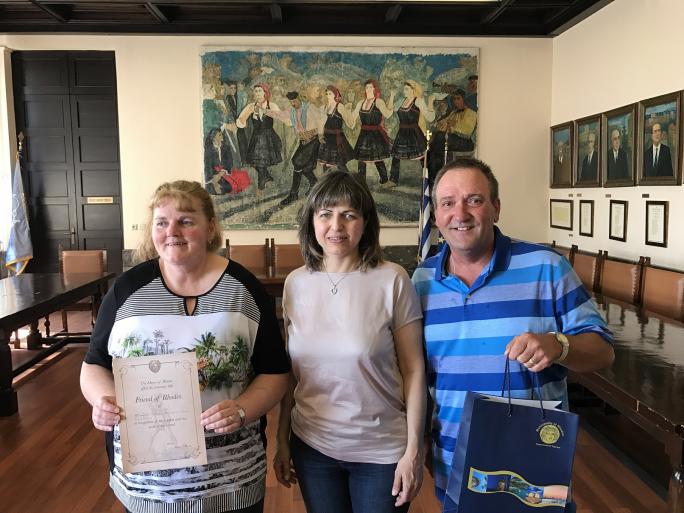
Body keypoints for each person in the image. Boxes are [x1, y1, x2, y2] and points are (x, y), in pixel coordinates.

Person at [411, 158, 615, 512]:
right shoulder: (421, 281)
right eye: (447, 203)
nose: (460, 213)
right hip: (454, 459)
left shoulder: (546, 267)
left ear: (496, 208)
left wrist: (559, 345)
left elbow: (603, 351)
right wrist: (421, 446)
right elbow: (419, 376)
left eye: (474, 200)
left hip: (533, 460)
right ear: (437, 215)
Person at [80, 180, 290, 513]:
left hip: (232, 479)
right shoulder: (127, 289)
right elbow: (94, 364)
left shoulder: (244, 289)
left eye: (186, 221)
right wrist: (102, 400)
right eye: (161, 222)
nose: (172, 231)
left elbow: (275, 372)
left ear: (211, 228)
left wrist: (242, 409)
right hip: (148, 486)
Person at [273, 171, 427, 513]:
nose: (336, 226)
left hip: (381, 452)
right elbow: (292, 374)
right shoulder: (296, 283)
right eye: (325, 214)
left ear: (366, 222)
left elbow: (414, 369)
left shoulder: (392, 279)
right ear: (311, 221)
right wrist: (281, 439)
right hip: (312, 448)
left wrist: (414, 450)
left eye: (349, 215)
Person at [265, 90, 325, 205]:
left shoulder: (310, 107)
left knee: (297, 162)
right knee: (305, 167)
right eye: (291, 102)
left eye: (295, 101)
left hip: (313, 140)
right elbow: (280, 114)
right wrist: (265, 111)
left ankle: (293, 194)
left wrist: (320, 134)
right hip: (303, 141)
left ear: (299, 99)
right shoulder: (291, 110)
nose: (293, 104)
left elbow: (322, 119)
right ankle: (315, 183)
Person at [387, 80, 435, 188]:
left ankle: (430, 180)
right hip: (402, 132)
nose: (404, 91)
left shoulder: (418, 101)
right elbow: (389, 110)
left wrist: (431, 102)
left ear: (413, 89)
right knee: (396, 156)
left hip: (414, 133)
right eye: (404, 89)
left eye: (407, 89)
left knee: (423, 156)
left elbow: (430, 117)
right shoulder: (401, 101)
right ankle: (393, 180)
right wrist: (392, 96)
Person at [237, 83, 283, 194]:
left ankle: (260, 187)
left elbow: (281, 117)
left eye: (259, 91)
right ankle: (266, 176)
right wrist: (246, 116)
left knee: (261, 163)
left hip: (268, 137)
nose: (257, 93)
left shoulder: (271, 105)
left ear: (265, 93)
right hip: (256, 137)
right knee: (255, 162)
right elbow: (240, 121)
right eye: (255, 91)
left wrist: (268, 112)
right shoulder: (250, 106)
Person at [352, 79, 395, 185]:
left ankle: (384, 179)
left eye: (370, 87)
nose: (368, 89)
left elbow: (387, 114)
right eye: (366, 87)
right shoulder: (360, 103)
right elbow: (353, 117)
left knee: (377, 158)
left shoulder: (378, 102)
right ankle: (361, 181)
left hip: (375, 134)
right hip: (364, 134)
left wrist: (392, 98)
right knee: (362, 159)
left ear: (375, 89)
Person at [319, 85, 356, 173]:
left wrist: (349, 111)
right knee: (325, 163)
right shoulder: (324, 107)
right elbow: (321, 124)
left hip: (337, 138)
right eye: (327, 94)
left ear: (335, 95)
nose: (328, 96)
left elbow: (350, 123)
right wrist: (320, 136)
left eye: (330, 94)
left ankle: (348, 179)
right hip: (326, 138)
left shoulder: (339, 106)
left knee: (340, 163)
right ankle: (327, 180)